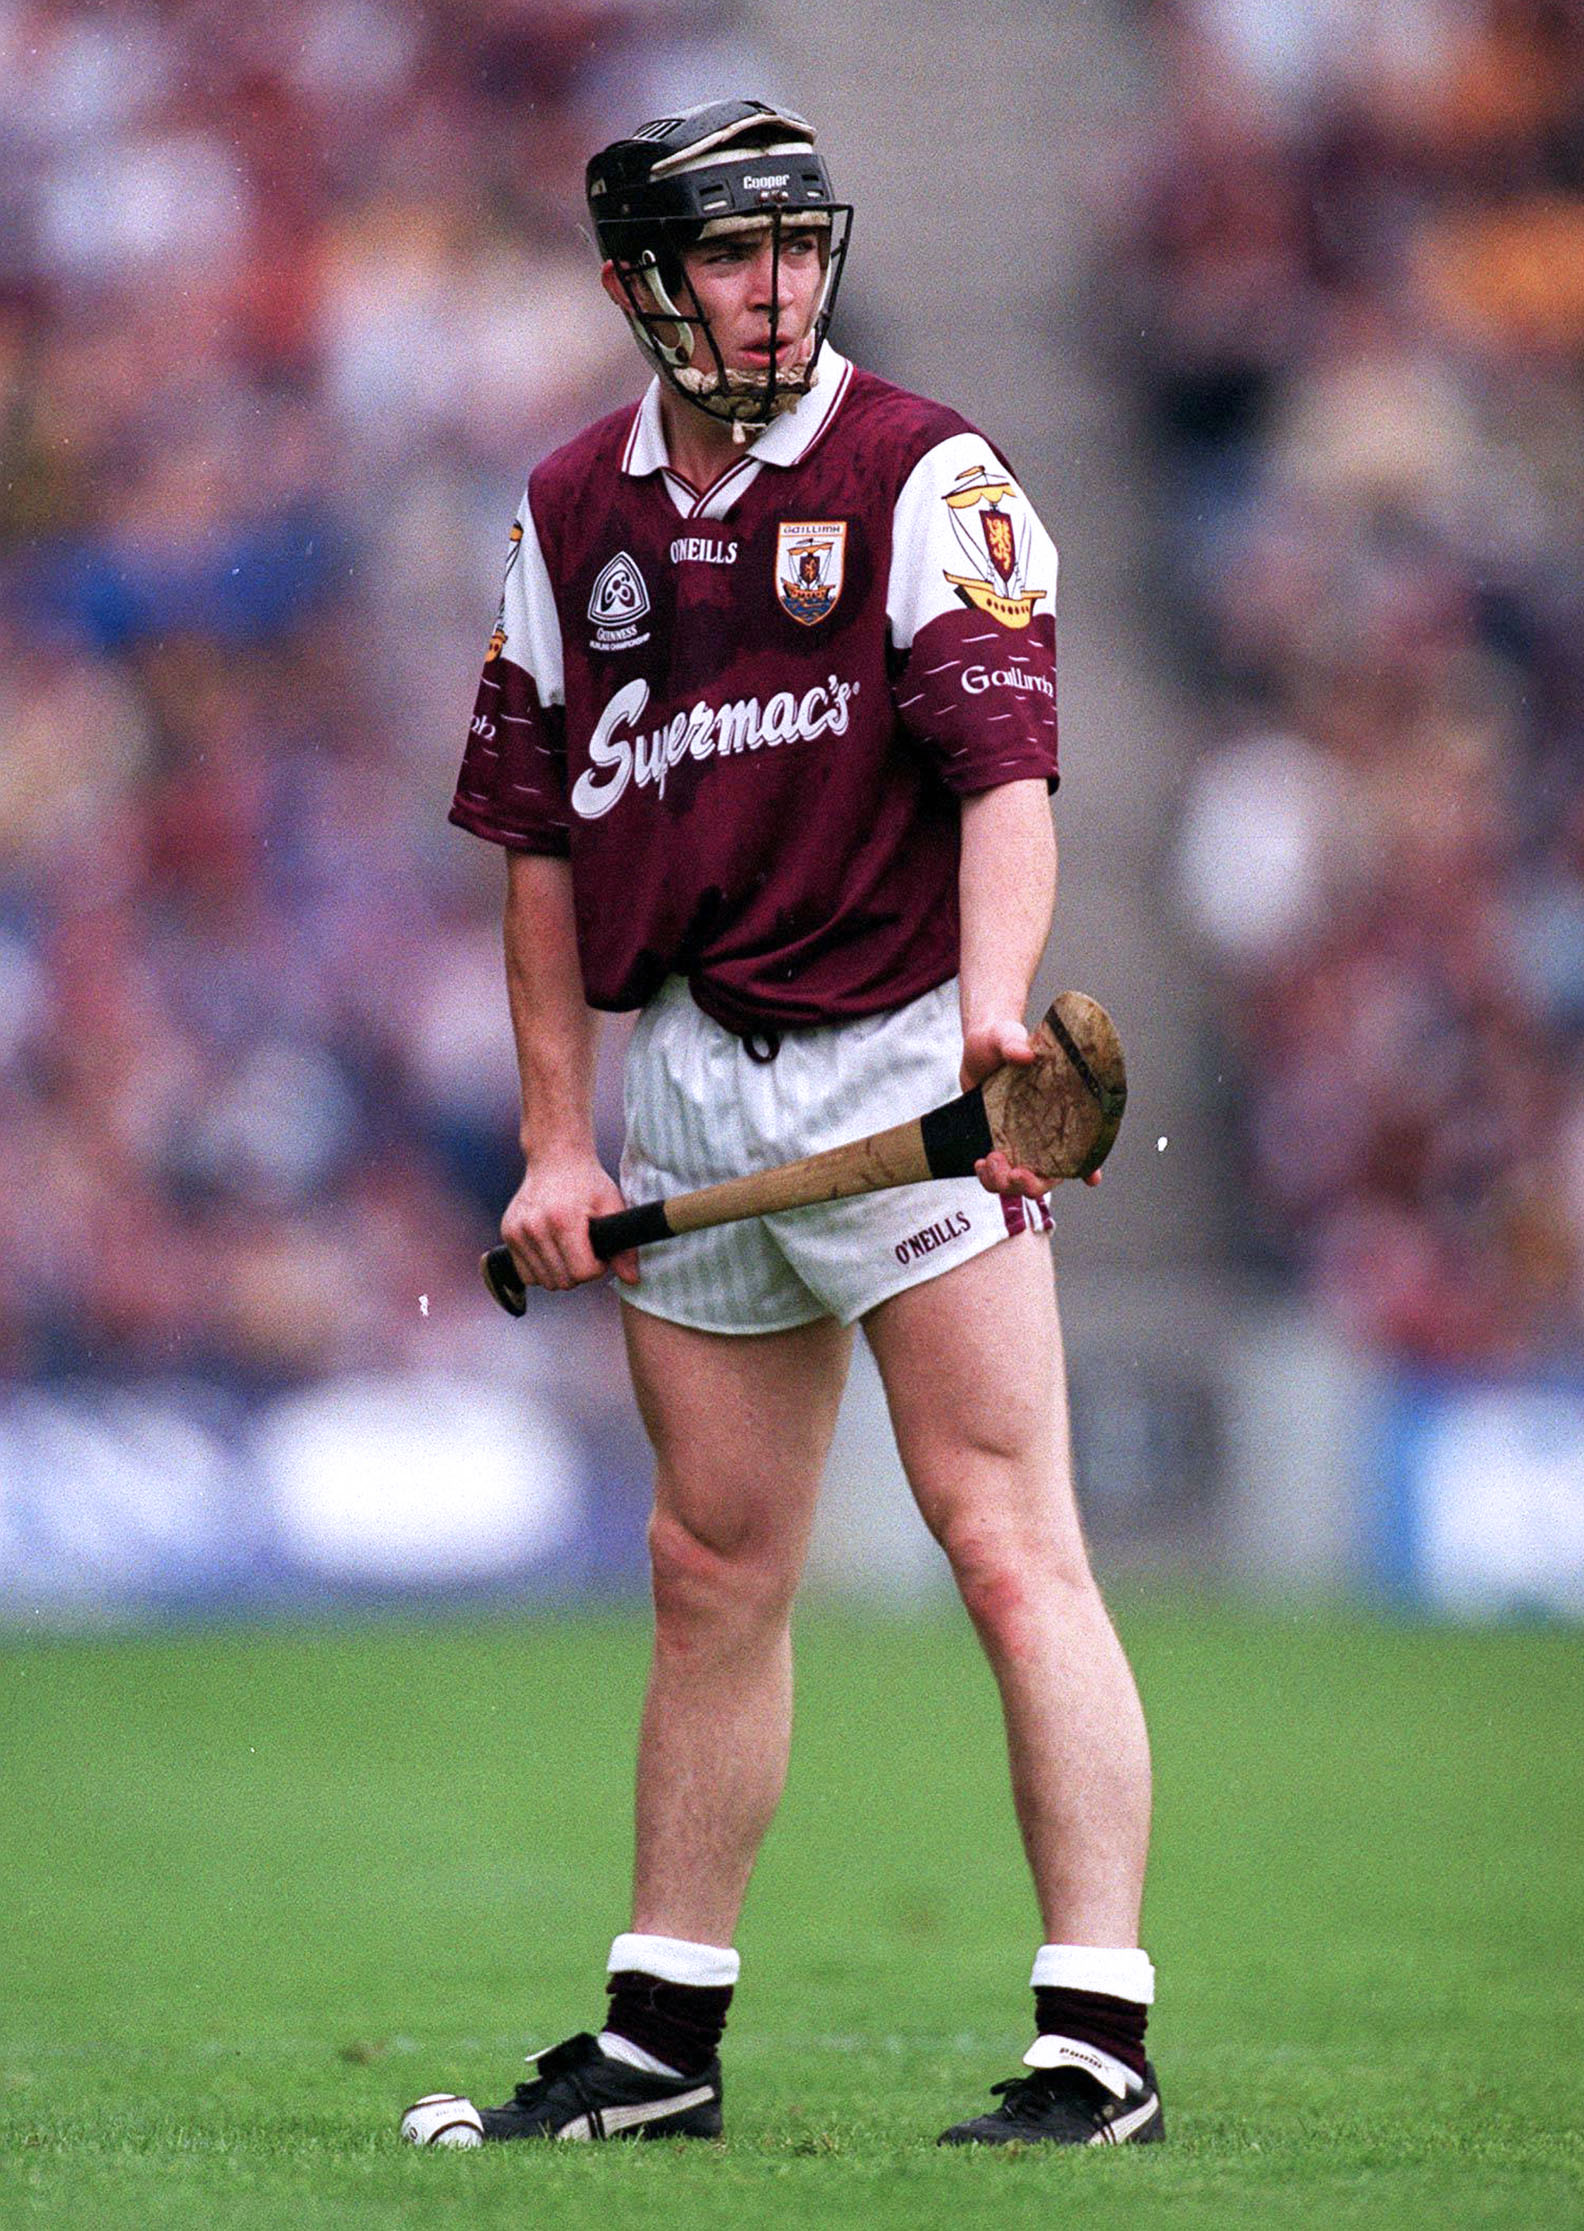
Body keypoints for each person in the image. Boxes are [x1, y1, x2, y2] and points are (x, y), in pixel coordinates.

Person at [401, 98, 1160, 2151]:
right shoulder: (570, 513)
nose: (777, 291)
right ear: (643, 279)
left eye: (798, 250)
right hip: (688, 1085)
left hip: (904, 1075)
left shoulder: (929, 474)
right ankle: (663, 2039)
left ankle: (1098, 2042)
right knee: (711, 1563)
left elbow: (1008, 775)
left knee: (1010, 1547)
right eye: (734, 257)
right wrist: (563, 1141)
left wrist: (997, 1022)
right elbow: (538, 846)